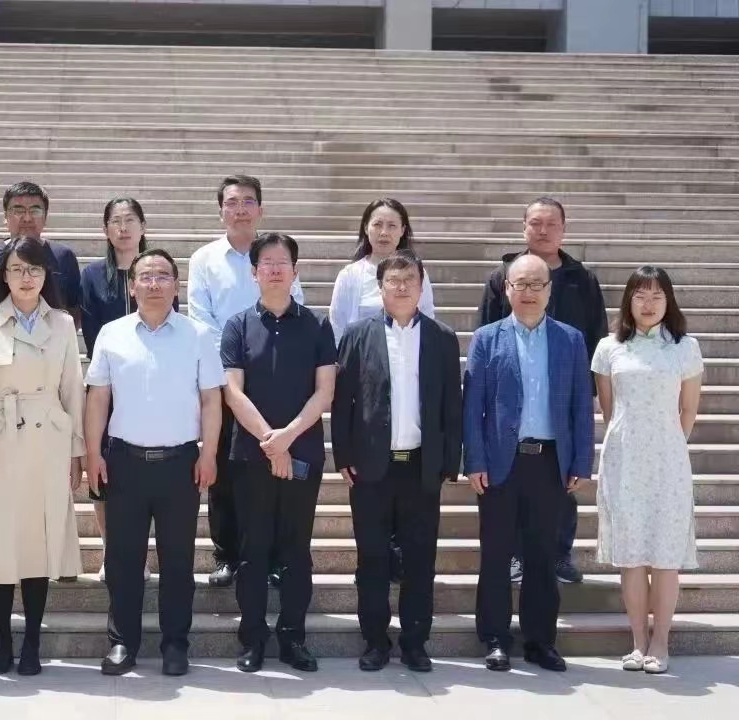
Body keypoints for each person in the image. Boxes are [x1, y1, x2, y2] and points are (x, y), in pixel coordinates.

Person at [85, 249, 223, 677]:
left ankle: (175, 644)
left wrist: (209, 453)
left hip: (180, 463)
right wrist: (93, 453)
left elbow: (211, 399)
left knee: (178, 561)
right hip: (124, 462)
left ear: (176, 285)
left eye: (163, 275)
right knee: (123, 560)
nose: (154, 283)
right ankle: (122, 642)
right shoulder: (112, 333)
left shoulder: (198, 334)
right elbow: (98, 398)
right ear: (132, 286)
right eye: (145, 276)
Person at [0, 237, 85, 677]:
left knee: (36, 544)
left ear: (46, 275)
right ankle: (2, 642)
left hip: (47, 441)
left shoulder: (62, 324)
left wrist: (76, 453)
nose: (26, 278)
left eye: (34, 269)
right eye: (17, 269)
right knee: (0, 543)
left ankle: (31, 642)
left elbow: (73, 390)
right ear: (4, 276)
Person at [331, 250, 462, 674]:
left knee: (420, 560)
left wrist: (449, 461)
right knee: (372, 559)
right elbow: (343, 401)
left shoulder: (441, 337)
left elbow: (452, 404)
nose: (402, 287)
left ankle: (415, 643)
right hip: (371, 468)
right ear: (380, 287)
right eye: (393, 280)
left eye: (410, 280)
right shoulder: (358, 335)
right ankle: (374, 641)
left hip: (421, 467)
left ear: (422, 287)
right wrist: (344, 454)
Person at [463, 254, 595, 673]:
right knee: (496, 553)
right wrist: (475, 460)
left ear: (549, 290)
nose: (528, 292)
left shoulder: (570, 340)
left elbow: (581, 405)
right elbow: (473, 407)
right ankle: (495, 638)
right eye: (520, 284)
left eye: (537, 284)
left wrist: (581, 461)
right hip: (501, 462)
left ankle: (540, 641)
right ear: (507, 289)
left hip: (550, 462)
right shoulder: (487, 338)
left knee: (542, 555)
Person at [478, 197, 608, 585]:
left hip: (563, 394)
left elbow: (597, 336)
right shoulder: (502, 276)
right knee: (511, 485)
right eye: (535, 223)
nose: (543, 230)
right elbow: (486, 330)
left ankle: (559, 553)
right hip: (513, 396)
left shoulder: (582, 279)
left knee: (561, 484)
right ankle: (517, 555)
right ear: (524, 228)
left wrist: (586, 392)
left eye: (552, 224)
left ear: (564, 230)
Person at [221, 232, 336, 673]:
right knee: (252, 551)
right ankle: (252, 639)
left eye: (281, 261)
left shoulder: (317, 326)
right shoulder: (237, 325)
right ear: (254, 273)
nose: (273, 268)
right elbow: (233, 392)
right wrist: (271, 442)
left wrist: (287, 438)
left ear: (295, 271)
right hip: (251, 456)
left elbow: (324, 392)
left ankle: (292, 638)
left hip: (302, 452)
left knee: (295, 551)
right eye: (265, 262)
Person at [187, 174, 304, 588]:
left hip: (272, 378)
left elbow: (295, 305)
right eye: (232, 202)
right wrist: (236, 357)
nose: (240, 210)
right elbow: (200, 317)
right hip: (222, 380)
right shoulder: (204, 259)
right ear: (221, 210)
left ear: (261, 209)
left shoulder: (275, 255)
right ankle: (227, 555)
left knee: (271, 469)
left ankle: (271, 557)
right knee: (224, 468)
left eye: (248, 201)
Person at [592, 266, 703, 675]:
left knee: (665, 556)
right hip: (624, 460)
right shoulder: (608, 348)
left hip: (668, 462)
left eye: (657, 295)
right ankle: (638, 641)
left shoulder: (685, 347)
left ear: (668, 301)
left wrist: (666, 444)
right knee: (632, 556)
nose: (649, 303)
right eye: (640, 295)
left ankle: (661, 642)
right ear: (628, 301)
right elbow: (609, 410)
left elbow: (688, 410)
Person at [80, 198, 177, 582]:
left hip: (154, 385)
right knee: (105, 475)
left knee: (148, 479)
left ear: (143, 226)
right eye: (116, 221)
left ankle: (143, 554)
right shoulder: (92, 276)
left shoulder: (158, 272)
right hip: (107, 384)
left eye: (130, 220)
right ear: (106, 230)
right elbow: (92, 334)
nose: (123, 228)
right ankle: (112, 551)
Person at [0, 181, 82, 328]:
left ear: (45, 217)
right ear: (5, 216)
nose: (27, 218)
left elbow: (74, 310)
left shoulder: (63, 257)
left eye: (35, 211)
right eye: (18, 211)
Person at [329, 198, 436, 344]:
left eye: (392, 226)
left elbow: (427, 320)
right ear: (366, 228)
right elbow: (337, 327)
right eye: (377, 225)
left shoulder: (417, 273)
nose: (384, 232)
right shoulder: (349, 275)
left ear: (402, 230)